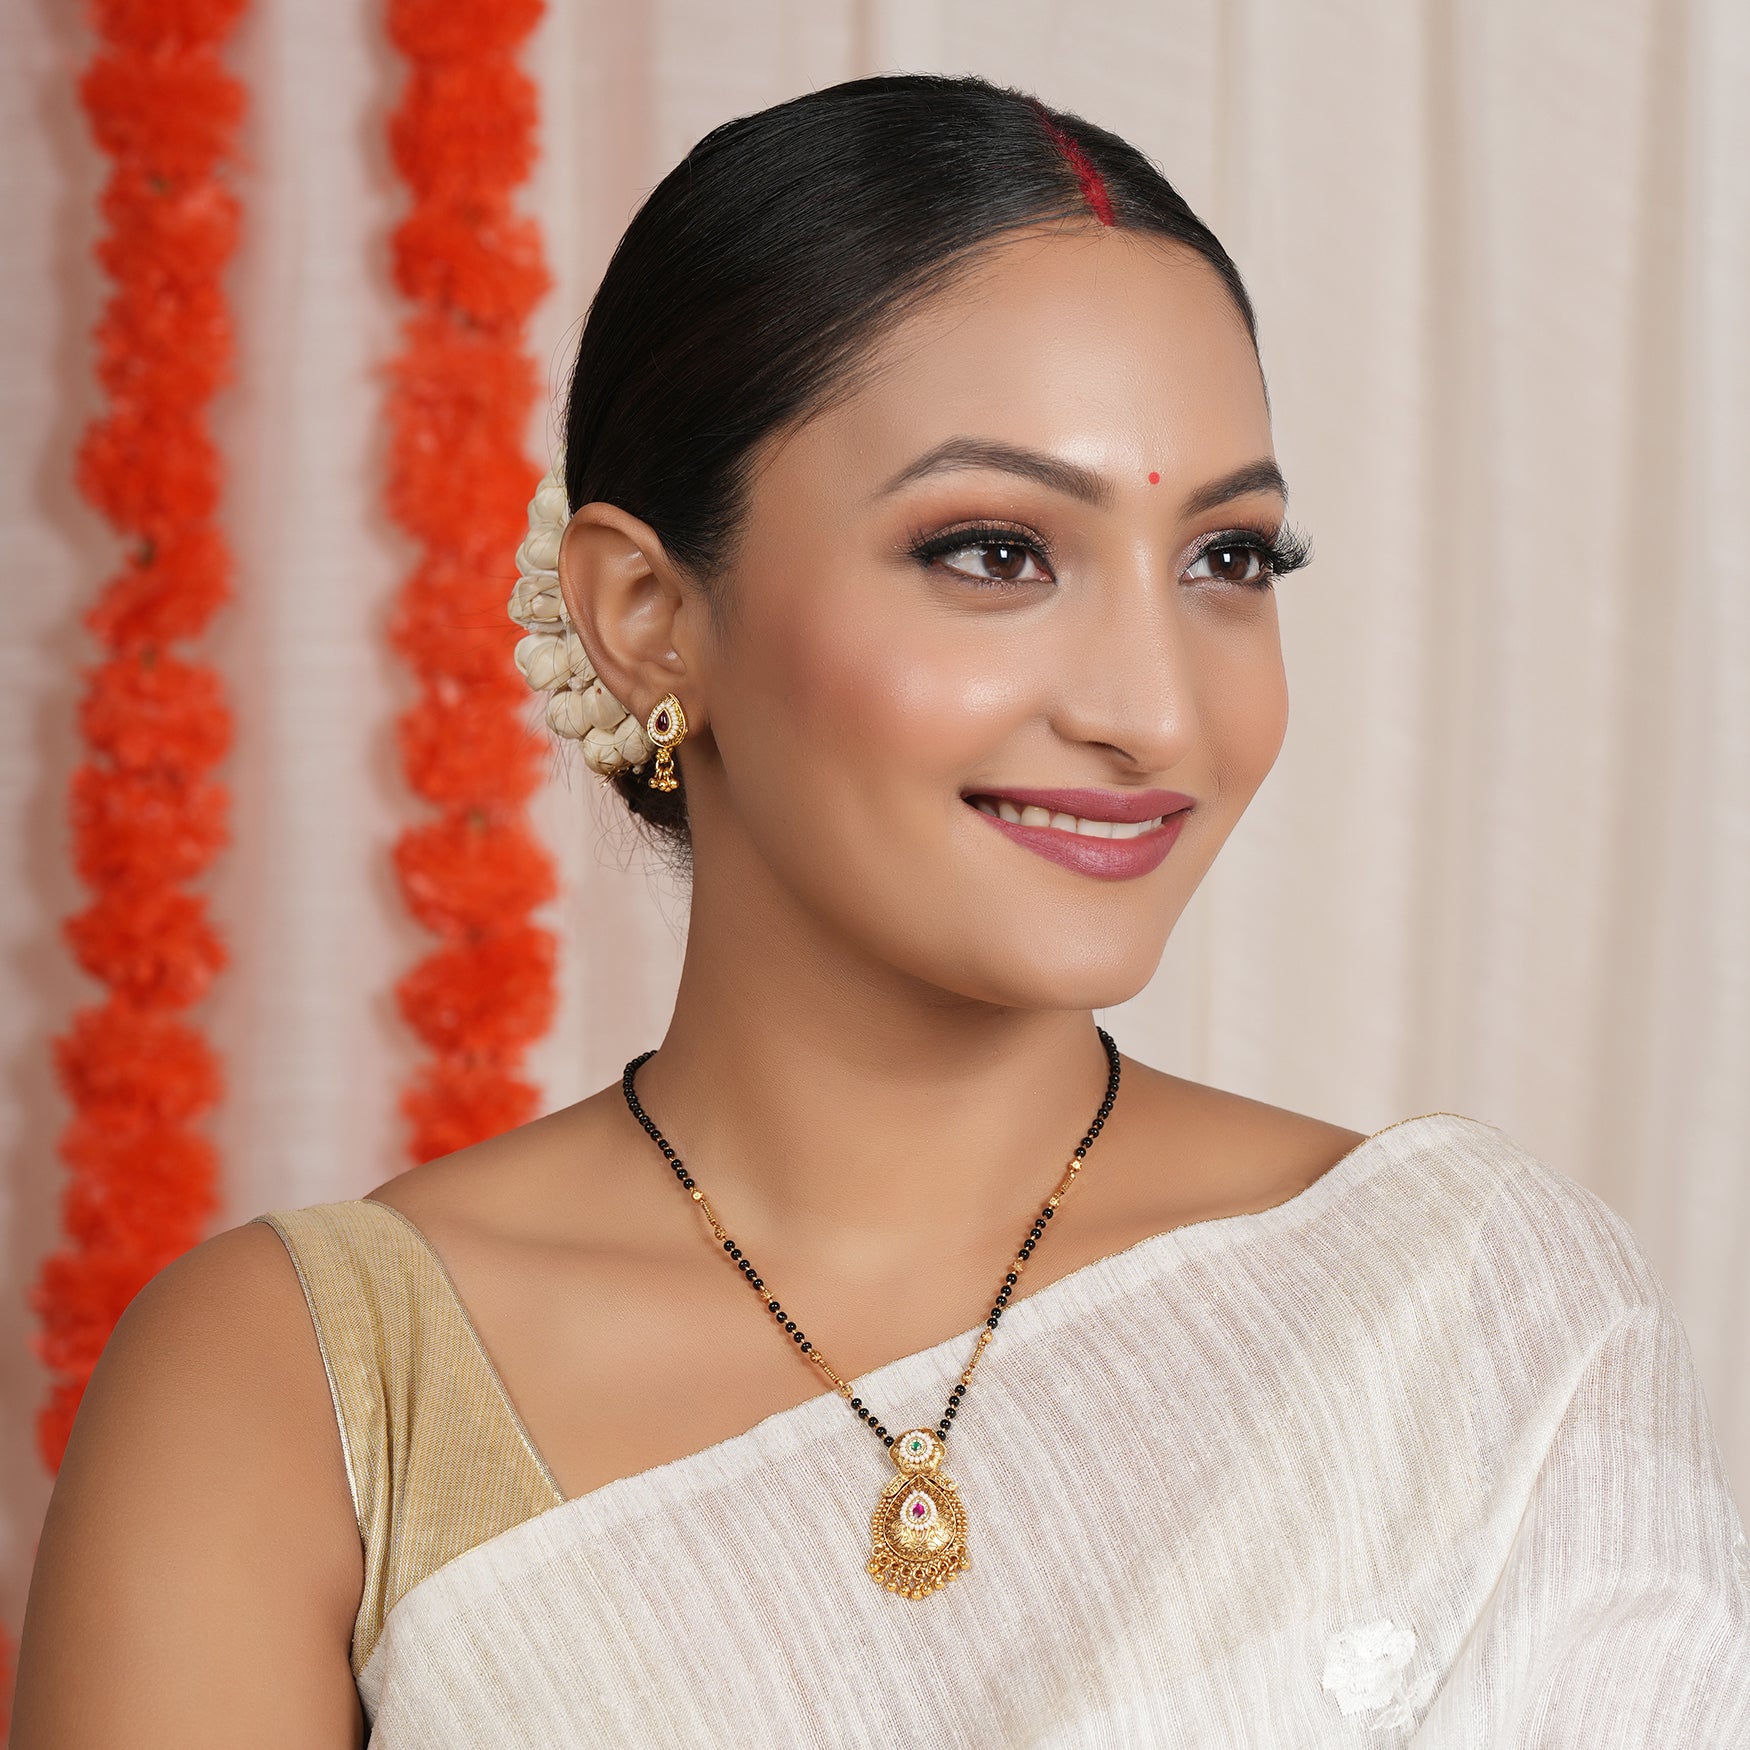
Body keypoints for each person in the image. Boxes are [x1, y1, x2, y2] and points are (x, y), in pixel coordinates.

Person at [13, 71, 1750, 1749]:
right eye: (994, 550)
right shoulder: (299, 1393)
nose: (1156, 712)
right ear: (644, 613)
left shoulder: (1469, 1311)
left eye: (1227, 560)